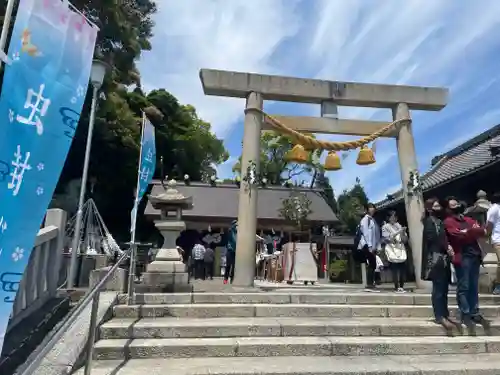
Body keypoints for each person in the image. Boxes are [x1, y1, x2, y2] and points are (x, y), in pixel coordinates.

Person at [443, 196, 490, 334]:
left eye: (456, 203)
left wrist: (468, 232)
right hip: (462, 256)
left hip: (474, 255)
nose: (456, 205)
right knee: (464, 286)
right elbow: (456, 236)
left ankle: (475, 312)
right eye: (452, 205)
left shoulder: (469, 219)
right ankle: (465, 312)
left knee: (474, 286)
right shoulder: (448, 221)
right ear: (448, 208)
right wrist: (470, 232)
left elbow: (481, 231)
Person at [421, 198, 461, 335]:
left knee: (444, 287)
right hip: (435, 258)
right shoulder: (428, 222)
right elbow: (432, 239)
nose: (438, 208)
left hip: (444, 258)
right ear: (429, 209)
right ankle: (439, 315)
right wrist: (446, 246)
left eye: (439, 206)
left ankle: (445, 312)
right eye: (435, 206)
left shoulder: (441, 221)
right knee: (438, 288)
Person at [358, 203, 382, 292]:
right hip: (367, 245)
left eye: (373, 207)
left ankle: (371, 283)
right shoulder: (366, 219)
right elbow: (366, 233)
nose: (372, 209)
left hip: (373, 245)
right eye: (370, 207)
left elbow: (377, 235)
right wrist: (370, 246)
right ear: (367, 209)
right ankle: (369, 284)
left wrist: (377, 246)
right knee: (371, 263)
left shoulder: (373, 220)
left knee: (373, 264)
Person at [382, 211, 408, 293]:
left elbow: (405, 239)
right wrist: (398, 232)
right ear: (388, 218)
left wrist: (403, 232)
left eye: (395, 217)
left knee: (402, 268)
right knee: (394, 268)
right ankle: (396, 286)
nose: (394, 218)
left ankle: (401, 286)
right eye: (392, 217)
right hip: (392, 248)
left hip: (400, 247)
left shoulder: (399, 225)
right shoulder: (385, 227)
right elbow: (387, 239)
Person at [486, 192, 500, 295]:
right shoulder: (494, 208)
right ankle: (498, 285)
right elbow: (489, 224)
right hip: (498, 239)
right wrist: (486, 235)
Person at [224, 220, 237, 284]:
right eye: (235, 225)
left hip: (236, 251)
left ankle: (232, 279)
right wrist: (232, 227)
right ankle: (225, 279)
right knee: (228, 265)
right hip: (230, 250)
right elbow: (232, 239)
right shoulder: (230, 231)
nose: (237, 226)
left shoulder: (238, 232)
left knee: (234, 266)